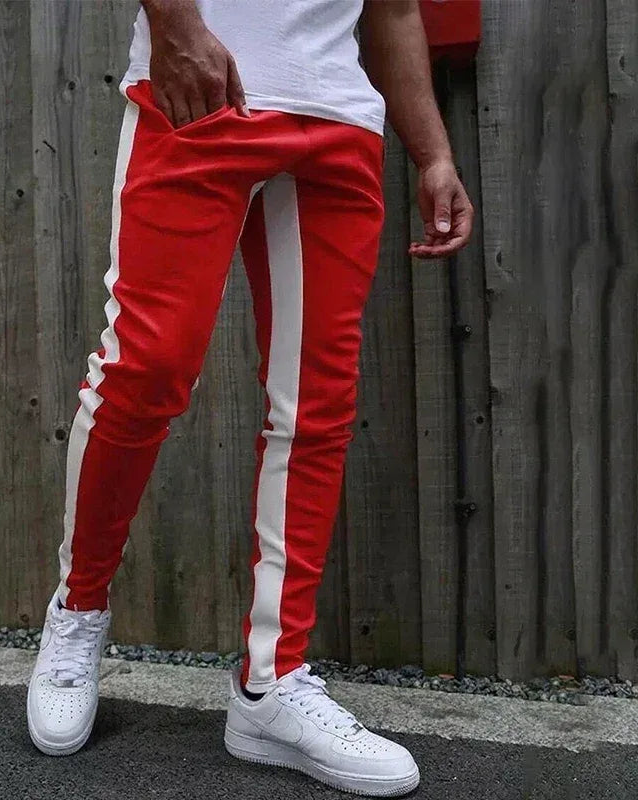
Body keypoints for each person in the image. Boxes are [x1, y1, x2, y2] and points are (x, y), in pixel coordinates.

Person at [26, 0, 473, 795]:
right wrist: (174, 25)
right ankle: (77, 613)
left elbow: (397, 9)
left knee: (317, 406)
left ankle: (271, 685)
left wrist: (432, 152)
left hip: (336, 119)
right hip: (200, 93)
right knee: (147, 370)